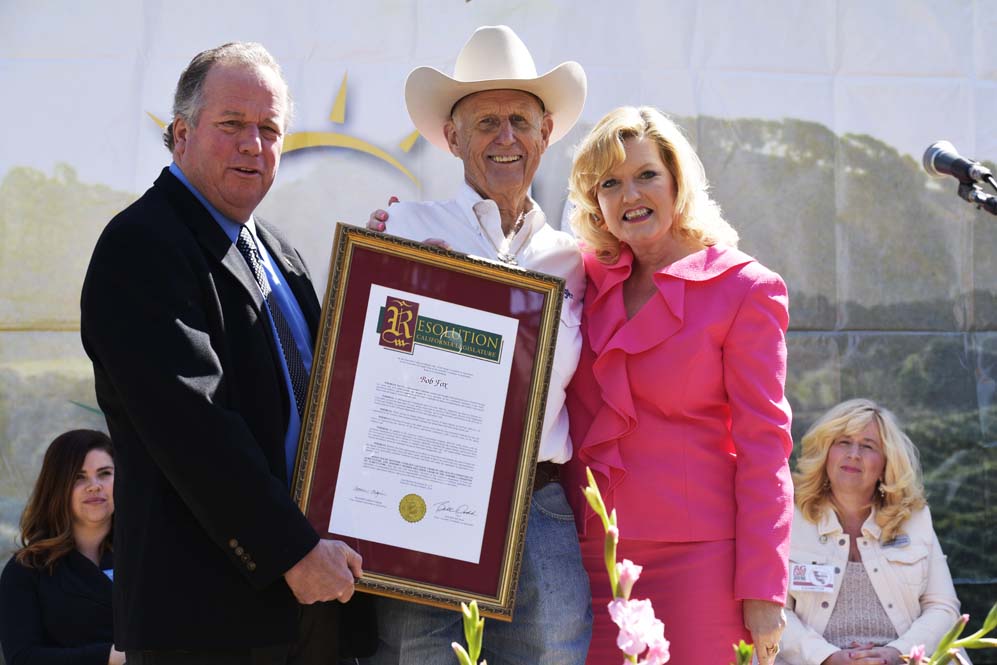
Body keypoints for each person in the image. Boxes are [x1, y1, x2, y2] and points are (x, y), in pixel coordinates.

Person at [80, 42, 374, 664]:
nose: (253, 144)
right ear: (181, 134)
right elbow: (193, 424)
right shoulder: (141, 245)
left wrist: (405, 282)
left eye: (269, 129)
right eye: (232, 124)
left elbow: (341, 390)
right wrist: (291, 550)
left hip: (311, 608)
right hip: (208, 618)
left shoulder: (278, 252)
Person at [362, 25, 592, 665]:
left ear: (546, 134)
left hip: (539, 503)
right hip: (425, 501)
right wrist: (402, 281)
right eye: (486, 121)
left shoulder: (577, 257)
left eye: (520, 119)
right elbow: (367, 362)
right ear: (452, 136)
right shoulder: (403, 229)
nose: (506, 137)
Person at [564, 106, 793, 665]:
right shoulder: (575, 275)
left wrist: (763, 587)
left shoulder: (746, 288)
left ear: (677, 181)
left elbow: (767, 445)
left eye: (646, 175)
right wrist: (404, 239)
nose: (629, 195)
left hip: (702, 566)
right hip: (589, 558)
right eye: (609, 184)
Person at [778, 399, 963, 665]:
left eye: (868, 446)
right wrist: (827, 657)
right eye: (843, 442)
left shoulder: (914, 517)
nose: (854, 453)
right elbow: (773, 611)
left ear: (886, 463)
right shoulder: (789, 517)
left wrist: (898, 654)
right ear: (825, 452)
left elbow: (943, 607)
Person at [0, 429, 123, 665]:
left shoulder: (143, 558)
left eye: (105, 473)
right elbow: (22, 658)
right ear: (57, 486)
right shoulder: (26, 570)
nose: (94, 486)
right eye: (79, 477)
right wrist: (110, 656)